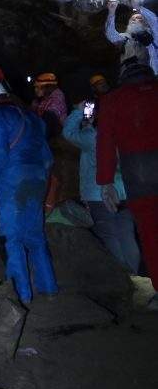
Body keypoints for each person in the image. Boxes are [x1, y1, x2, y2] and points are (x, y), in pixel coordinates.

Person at [0, 80, 59, 303]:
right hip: (38, 178)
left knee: (11, 239)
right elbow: (48, 158)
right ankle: (49, 290)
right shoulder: (33, 117)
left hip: (12, 180)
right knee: (36, 237)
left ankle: (20, 295)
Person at [97, 62, 158, 310]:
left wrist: (105, 182)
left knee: (151, 234)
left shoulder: (114, 100)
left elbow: (105, 142)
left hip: (140, 175)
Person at [62, 93, 140, 274]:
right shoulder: (125, 133)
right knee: (127, 234)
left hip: (98, 194)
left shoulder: (92, 137)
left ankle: (122, 275)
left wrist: (78, 112)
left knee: (109, 235)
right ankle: (135, 273)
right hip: (124, 191)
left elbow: (68, 133)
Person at [105, 0, 158, 76]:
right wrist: (111, 13)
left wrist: (138, 7)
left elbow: (154, 21)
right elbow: (111, 35)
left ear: (146, 24)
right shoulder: (125, 38)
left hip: (153, 77)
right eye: (132, 19)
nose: (135, 20)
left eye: (139, 18)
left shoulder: (155, 38)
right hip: (131, 78)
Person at [30, 73, 67, 137]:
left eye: (39, 87)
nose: (36, 90)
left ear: (49, 87)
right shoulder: (41, 99)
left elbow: (48, 124)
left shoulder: (57, 100)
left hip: (55, 138)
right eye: (35, 87)